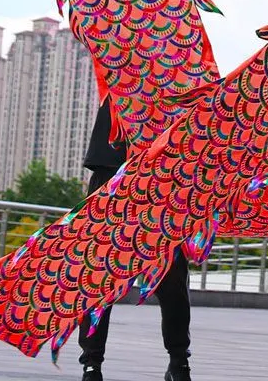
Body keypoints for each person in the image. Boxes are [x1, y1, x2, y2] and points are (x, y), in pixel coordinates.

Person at [78, 97, 193, 381]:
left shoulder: (172, 70)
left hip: (160, 173)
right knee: (102, 274)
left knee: (167, 276)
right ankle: (94, 364)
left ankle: (178, 362)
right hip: (131, 171)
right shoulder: (155, 67)